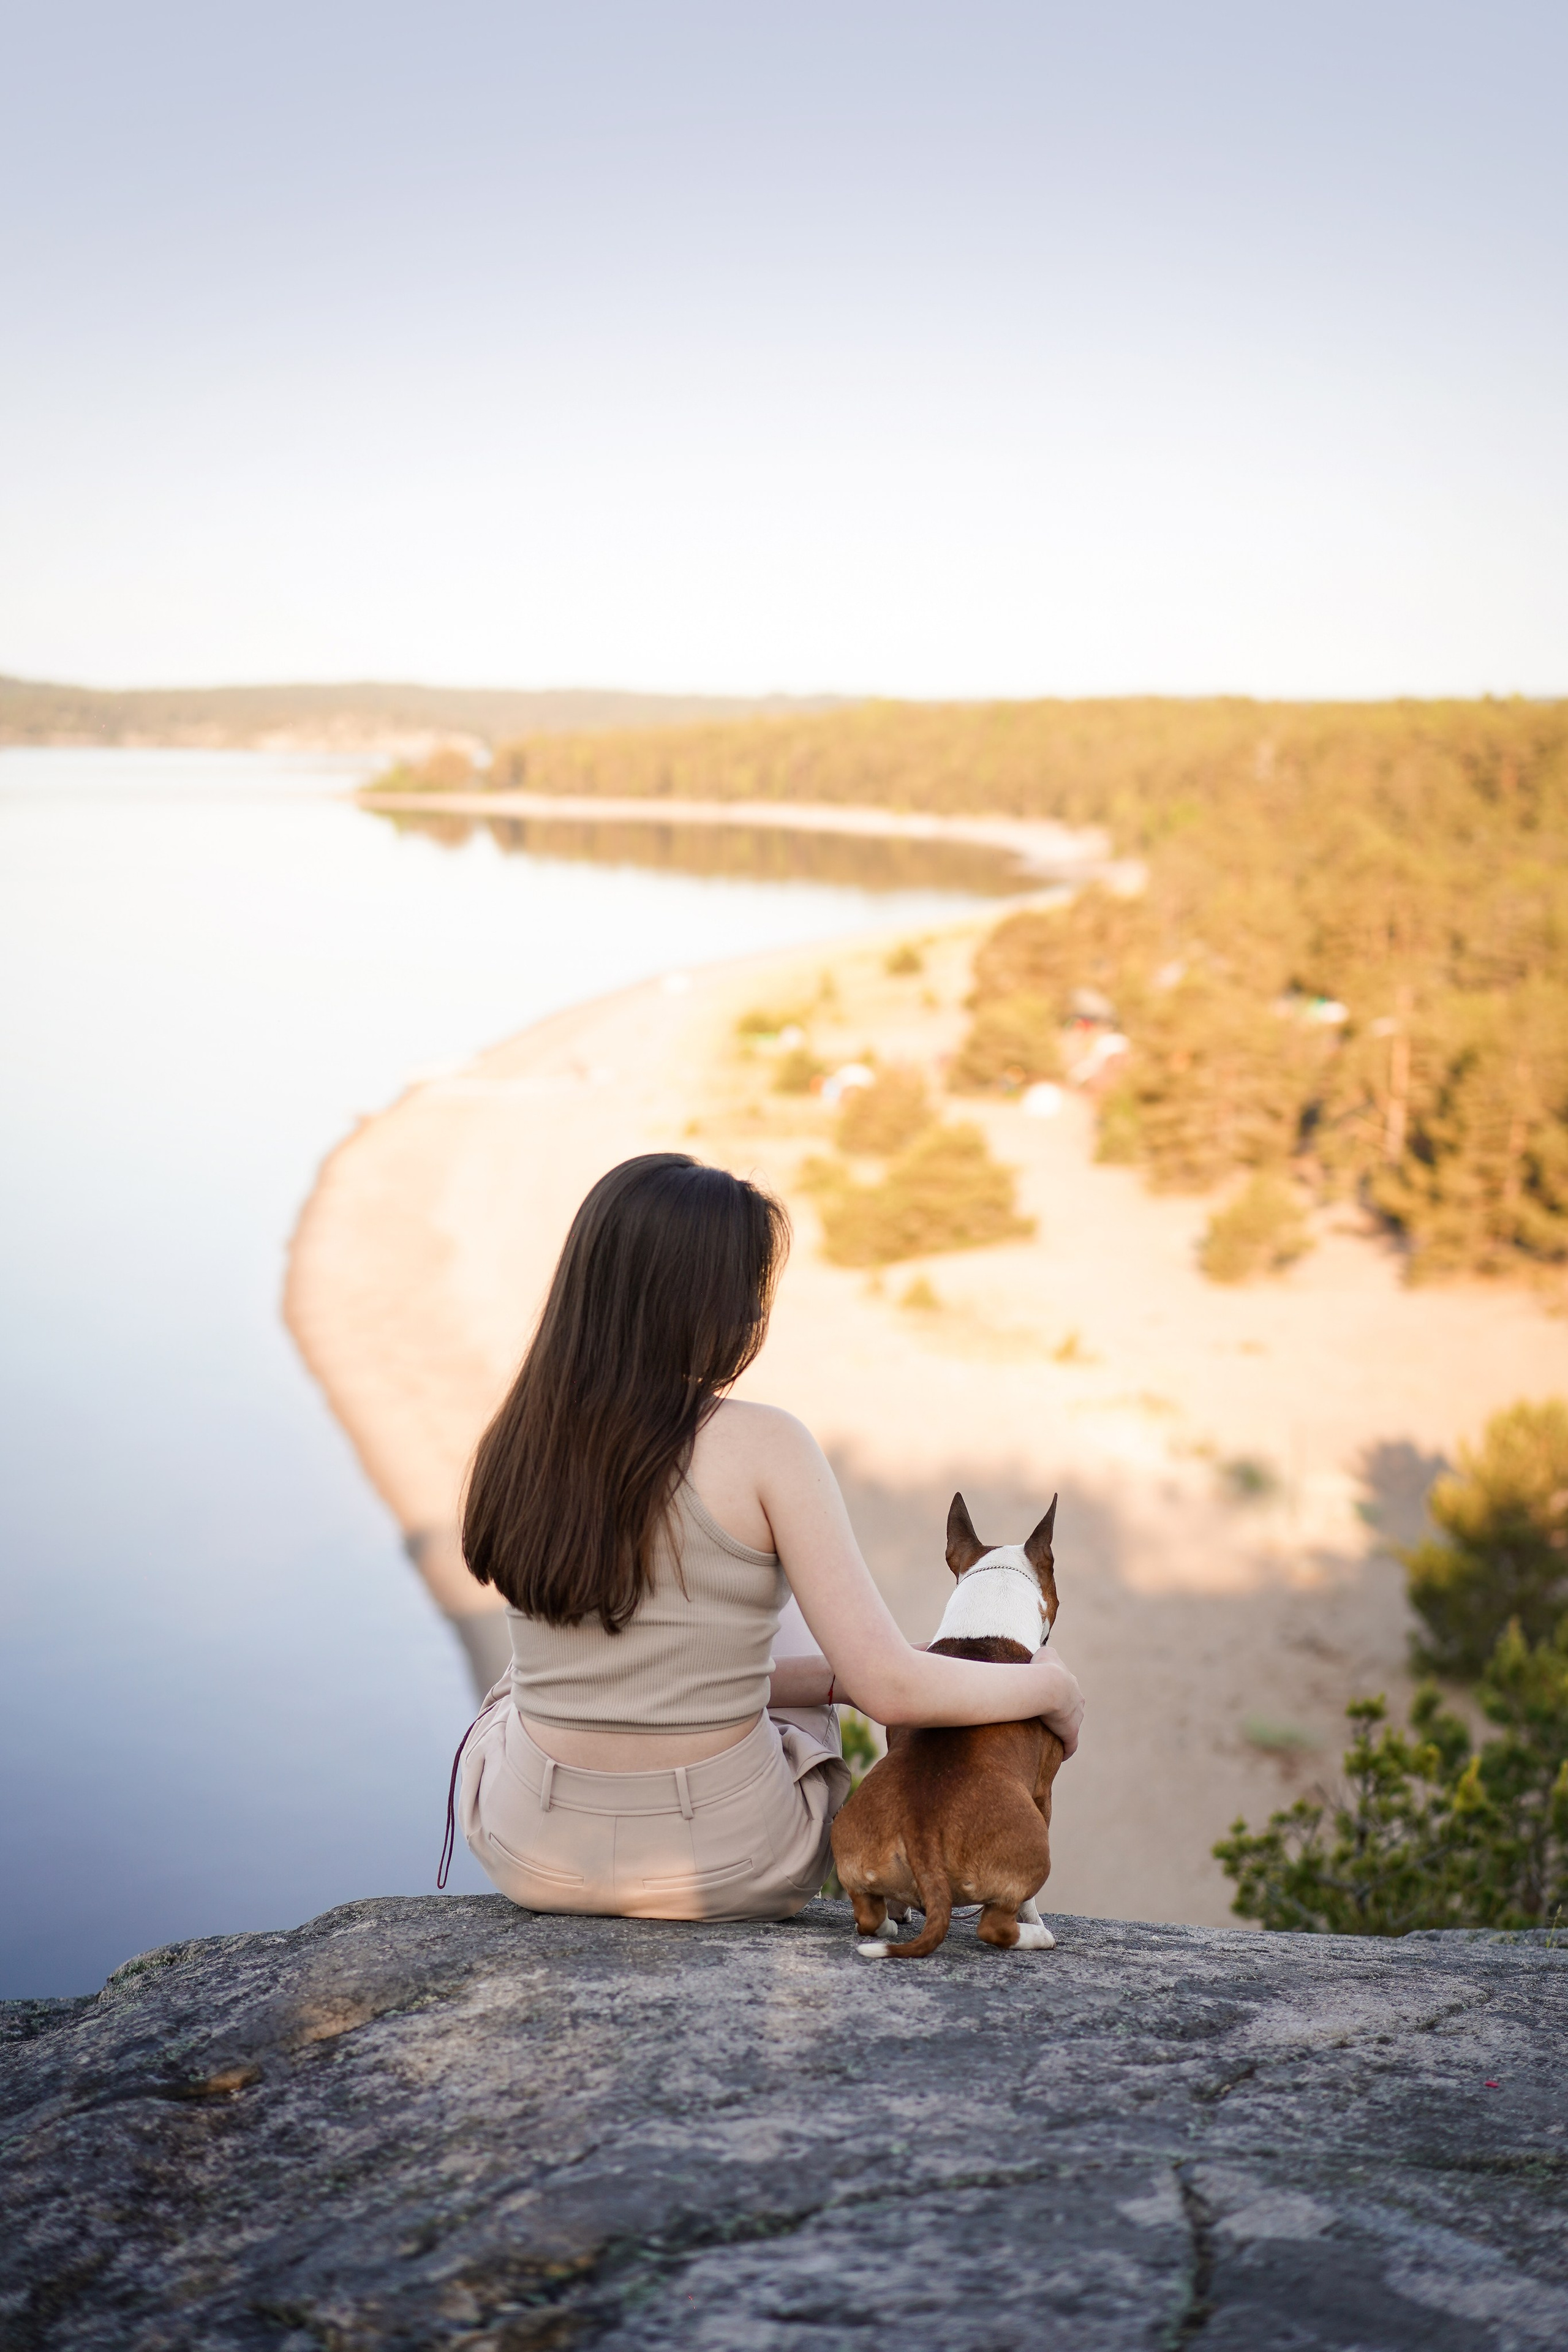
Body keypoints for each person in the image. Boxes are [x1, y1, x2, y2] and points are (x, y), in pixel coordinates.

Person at [447, 1152, 1084, 1921]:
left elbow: (645, 1668)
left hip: (534, 1856)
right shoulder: (766, 1446)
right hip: (726, 1863)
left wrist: (839, 1677)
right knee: (778, 1600)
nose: (754, 1319)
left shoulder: (517, 1439)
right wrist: (1050, 1685)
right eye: (745, 1293)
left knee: (518, 1682)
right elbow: (891, 1692)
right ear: (694, 1303)